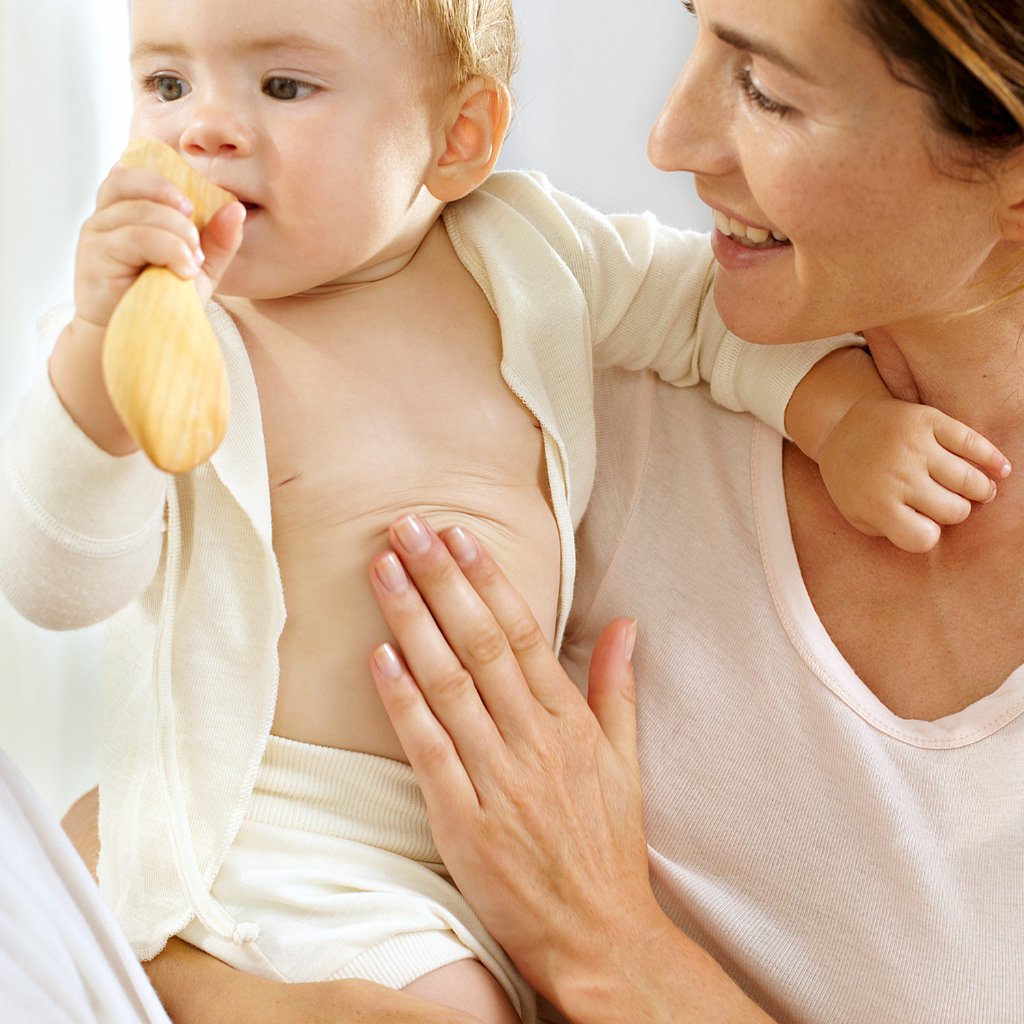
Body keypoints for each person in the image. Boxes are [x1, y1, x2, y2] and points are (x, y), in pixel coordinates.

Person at [0, 0, 1011, 1022]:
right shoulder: (174, 333)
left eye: (285, 86)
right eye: (165, 85)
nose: (202, 130)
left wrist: (843, 424)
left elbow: (695, 323)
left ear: (460, 138)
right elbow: (58, 582)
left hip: (448, 881)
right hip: (280, 828)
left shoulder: (532, 258)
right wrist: (95, 367)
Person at [359, 1, 1024, 1022]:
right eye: (698, 36)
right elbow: (141, 835)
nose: (668, 140)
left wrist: (611, 949)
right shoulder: (573, 401)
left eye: (764, 90)